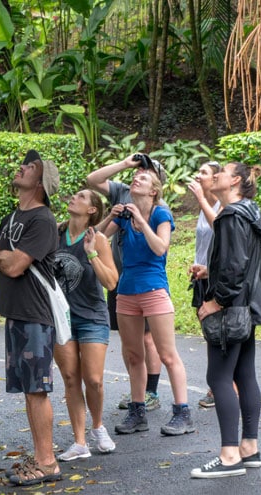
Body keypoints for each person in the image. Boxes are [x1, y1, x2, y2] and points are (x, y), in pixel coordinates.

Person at [0, 149, 62, 486]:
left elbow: (13, 266)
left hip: (35, 314)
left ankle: (48, 463)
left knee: (38, 389)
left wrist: (1, 256)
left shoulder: (42, 220)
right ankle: (41, 456)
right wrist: (2, 256)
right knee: (29, 390)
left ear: (40, 183)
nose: (22, 167)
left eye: (30, 166)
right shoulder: (12, 216)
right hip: (15, 312)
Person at [190, 162, 261, 479]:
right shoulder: (250, 211)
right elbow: (243, 261)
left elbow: (237, 267)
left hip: (231, 309)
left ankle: (229, 457)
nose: (214, 177)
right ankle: (249, 448)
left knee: (219, 378)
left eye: (220, 173)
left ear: (234, 181)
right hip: (249, 307)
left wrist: (214, 302)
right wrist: (210, 270)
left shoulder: (229, 215)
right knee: (245, 374)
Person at [101, 168, 195, 437]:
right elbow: (95, 238)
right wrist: (111, 215)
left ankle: (182, 412)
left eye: (142, 178)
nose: (135, 180)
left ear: (154, 190)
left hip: (153, 288)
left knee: (167, 354)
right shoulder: (124, 216)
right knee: (133, 355)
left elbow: (160, 247)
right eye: (134, 178)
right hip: (126, 290)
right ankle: (137, 411)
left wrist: (141, 222)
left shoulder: (160, 214)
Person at [87, 154, 167, 412]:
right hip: (119, 276)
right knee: (129, 341)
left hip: (145, 278)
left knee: (147, 338)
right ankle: (138, 390)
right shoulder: (122, 191)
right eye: (138, 169)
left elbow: (160, 246)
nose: (138, 173)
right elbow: (92, 179)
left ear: (155, 184)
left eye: (145, 171)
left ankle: (150, 391)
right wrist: (124, 163)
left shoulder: (158, 208)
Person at [52, 189, 119, 462]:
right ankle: (79, 442)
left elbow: (111, 282)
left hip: (92, 315)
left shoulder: (98, 239)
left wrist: (91, 254)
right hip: (61, 317)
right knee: (70, 378)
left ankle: (98, 426)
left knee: (93, 379)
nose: (73, 198)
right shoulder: (55, 234)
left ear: (92, 210)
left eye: (81, 197)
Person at [187, 161, 222, 409]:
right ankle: (217, 385)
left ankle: (223, 386)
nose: (198, 177)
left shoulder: (221, 206)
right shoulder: (204, 206)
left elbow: (220, 229)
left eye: (204, 173)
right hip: (202, 277)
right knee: (210, 335)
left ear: (216, 178)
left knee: (221, 334)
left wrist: (201, 199)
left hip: (219, 279)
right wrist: (197, 263)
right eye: (198, 172)